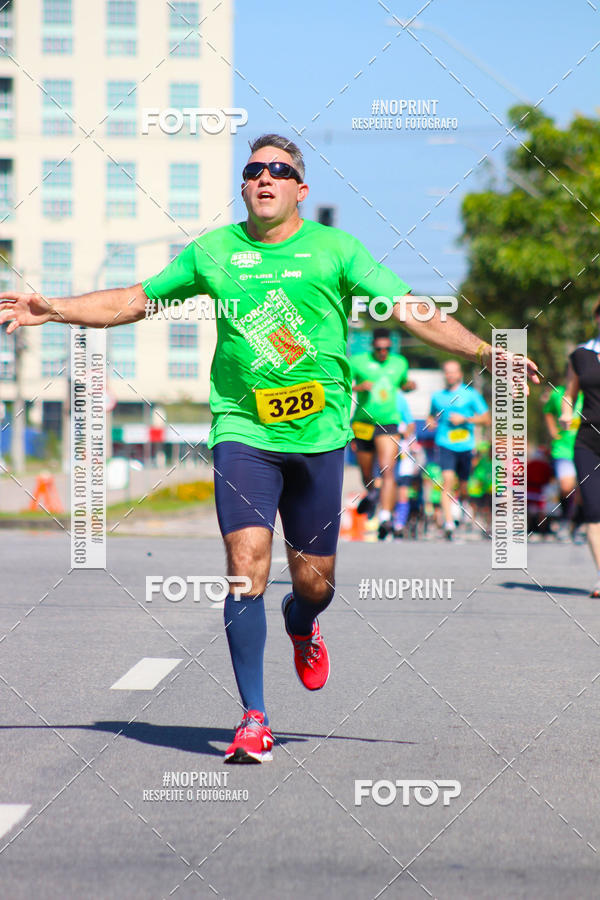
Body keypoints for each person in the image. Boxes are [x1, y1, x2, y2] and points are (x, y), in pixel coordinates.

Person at [0, 133, 539, 764]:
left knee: (315, 583)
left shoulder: (336, 250)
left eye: (279, 170)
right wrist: (54, 308)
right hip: (243, 432)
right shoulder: (215, 252)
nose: (264, 178)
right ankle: (253, 717)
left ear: (300, 189)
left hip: (319, 436)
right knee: (245, 564)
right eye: (254, 169)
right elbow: (133, 300)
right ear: (244, 185)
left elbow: (410, 310)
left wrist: (484, 351)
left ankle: (302, 622)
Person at [349, 329, 413, 539]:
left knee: (387, 470)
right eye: (379, 349)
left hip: (389, 423)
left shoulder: (400, 362)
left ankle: (385, 517)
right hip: (363, 422)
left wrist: (410, 385)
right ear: (373, 347)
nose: (383, 352)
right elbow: (343, 385)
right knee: (366, 473)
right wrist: (359, 387)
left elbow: (403, 384)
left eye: (387, 348)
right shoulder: (357, 361)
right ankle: (372, 492)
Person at [427, 361, 491, 540]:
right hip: (445, 444)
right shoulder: (437, 397)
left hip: (466, 446)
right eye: (447, 372)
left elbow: (486, 419)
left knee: (464, 486)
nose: (450, 375)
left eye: (453, 372)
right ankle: (448, 523)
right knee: (447, 481)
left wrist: (465, 419)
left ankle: (464, 508)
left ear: (460, 374)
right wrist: (430, 422)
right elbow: (431, 416)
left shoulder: (471, 395)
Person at [561, 302, 600, 596]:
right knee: (594, 509)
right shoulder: (581, 355)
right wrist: (566, 412)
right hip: (587, 440)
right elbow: (570, 392)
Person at [543, 381, 583, 538]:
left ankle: (579, 523)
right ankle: (565, 520)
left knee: (584, 489)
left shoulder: (589, 392)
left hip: (585, 446)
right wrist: (553, 431)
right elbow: (548, 411)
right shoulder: (557, 393)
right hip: (563, 449)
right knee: (567, 487)